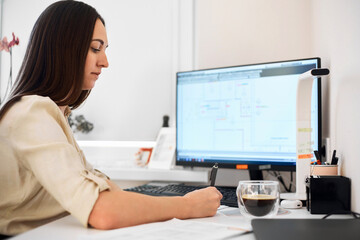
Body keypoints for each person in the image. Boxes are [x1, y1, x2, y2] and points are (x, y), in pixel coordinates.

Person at [0, 0, 222, 237]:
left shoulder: (55, 115)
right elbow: (102, 211)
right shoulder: (31, 113)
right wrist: (187, 206)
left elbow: (102, 191)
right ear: (64, 48)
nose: (105, 61)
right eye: (96, 48)